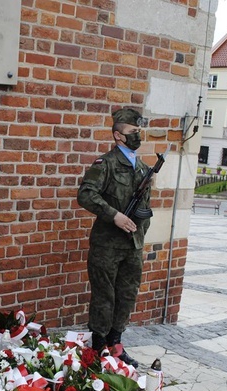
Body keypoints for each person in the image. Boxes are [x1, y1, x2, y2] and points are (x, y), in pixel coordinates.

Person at [77, 107, 153, 368]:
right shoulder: (105, 163)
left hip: (132, 245)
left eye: (138, 132)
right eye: (132, 132)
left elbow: (146, 208)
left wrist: (140, 233)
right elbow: (86, 194)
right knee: (104, 296)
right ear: (118, 136)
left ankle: (116, 344)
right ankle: (98, 348)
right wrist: (115, 216)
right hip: (107, 245)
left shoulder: (143, 168)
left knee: (127, 294)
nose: (137, 136)